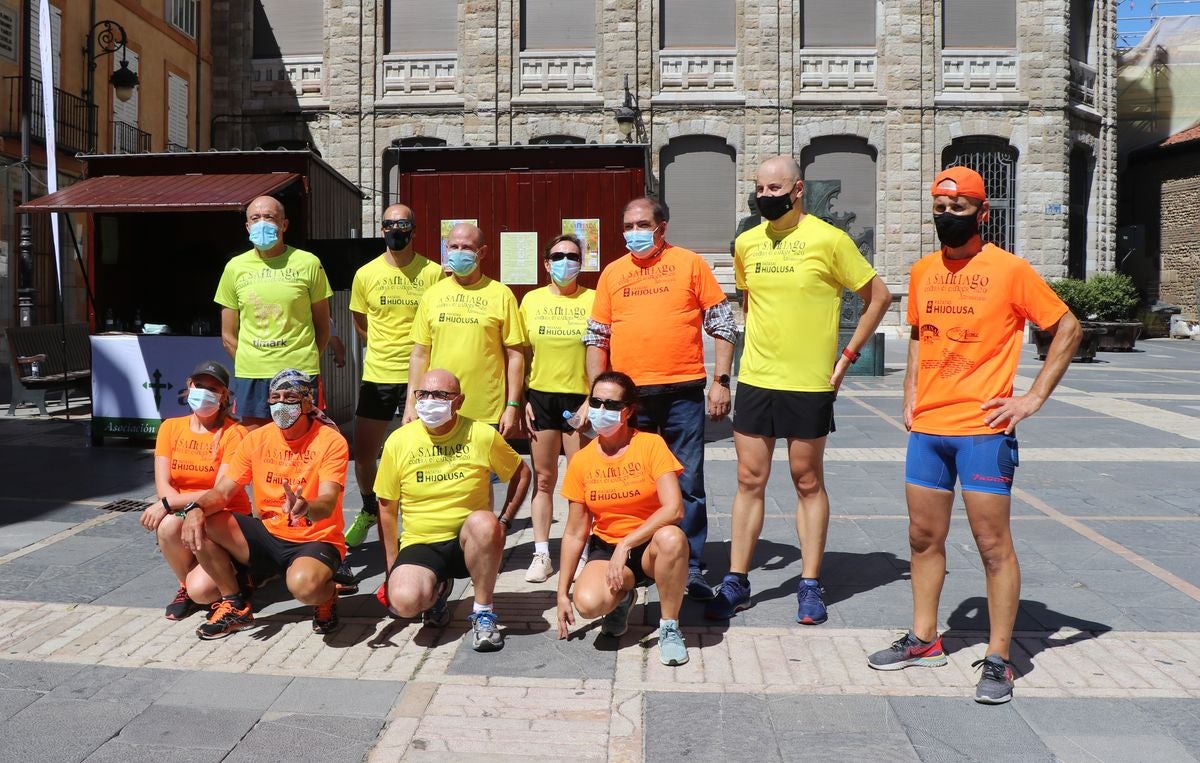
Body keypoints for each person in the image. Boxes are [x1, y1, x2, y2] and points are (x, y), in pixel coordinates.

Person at [866, 166, 1082, 705]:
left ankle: (1000, 657)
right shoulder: (922, 271)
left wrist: (1031, 399)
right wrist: (909, 393)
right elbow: (920, 332)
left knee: (992, 546)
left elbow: (1068, 328)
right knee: (922, 537)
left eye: (959, 208)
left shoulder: (1010, 270)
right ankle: (923, 638)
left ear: (982, 213)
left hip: (984, 430)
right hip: (929, 430)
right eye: (940, 207)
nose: (947, 216)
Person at [707, 156, 892, 625]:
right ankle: (736, 581)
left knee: (807, 480)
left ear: (797, 189)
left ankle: (810, 583)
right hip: (757, 379)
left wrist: (846, 358)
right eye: (759, 188)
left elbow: (879, 297)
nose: (765, 195)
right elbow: (750, 303)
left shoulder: (830, 240)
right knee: (749, 480)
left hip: (809, 383)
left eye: (774, 188)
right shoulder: (747, 243)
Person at [584, 197, 736, 601]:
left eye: (641, 224)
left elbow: (722, 323)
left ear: (662, 227)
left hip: (682, 392)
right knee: (631, 478)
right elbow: (597, 338)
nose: (633, 232)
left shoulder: (690, 264)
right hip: (628, 399)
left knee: (687, 482)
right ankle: (635, 556)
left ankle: (691, 566)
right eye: (627, 225)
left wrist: (721, 380)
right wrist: (597, 397)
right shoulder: (613, 274)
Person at [180, 368, 350, 640]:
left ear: (307, 402)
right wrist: (195, 509)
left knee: (304, 587)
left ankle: (328, 595)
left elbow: (328, 501)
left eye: (290, 396)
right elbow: (223, 492)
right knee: (206, 520)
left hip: (315, 537)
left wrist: (305, 506)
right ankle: (235, 605)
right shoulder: (256, 439)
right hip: (269, 533)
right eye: (275, 397)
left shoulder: (331, 441)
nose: (281, 403)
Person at [375, 369, 531, 652]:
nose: (429, 401)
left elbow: (521, 473)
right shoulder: (399, 441)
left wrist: (505, 521)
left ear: (458, 402)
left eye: (440, 395)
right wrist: (391, 570)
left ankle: (483, 613)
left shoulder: (481, 434)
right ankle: (436, 594)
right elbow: (386, 510)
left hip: (468, 539)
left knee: (486, 523)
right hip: (421, 542)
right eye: (423, 394)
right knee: (404, 602)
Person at [555, 371, 690, 666]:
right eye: (596, 402)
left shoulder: (650, 445)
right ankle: (622, 598)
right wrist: (562, 592)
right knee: (587, 604)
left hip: (650, 547)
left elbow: (674, 509)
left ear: (628, 411)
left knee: (673, 537)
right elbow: (575, 532)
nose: (602, 411)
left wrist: (627, 543)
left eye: (612, 405)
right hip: (607, 546)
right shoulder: (582, 460)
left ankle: (669, 626)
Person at [343, 204, 444, 549]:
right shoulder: (366, 274)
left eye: (402, 225)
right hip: (379, 374)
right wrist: (385, 347)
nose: (395, 230)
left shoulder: (433, 272)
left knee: (421, 451)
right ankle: (370, 508)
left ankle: (416, 520)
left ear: (414, 229)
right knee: (365, 452)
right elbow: (361, 322)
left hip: (422, 377)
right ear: (382, 230)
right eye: (389, 225)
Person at [142, 361, 250, 620]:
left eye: (213, 388)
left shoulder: (234, 433)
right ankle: (184, 585)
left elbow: (219, 491)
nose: (204, 392)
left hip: (221, 516)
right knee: (167, 526)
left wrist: (168, 504)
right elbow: (162, 484)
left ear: (224, 395)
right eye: (199, 385)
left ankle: (240, 575)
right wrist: (171, 505)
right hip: (183, 513)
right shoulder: (170, 427)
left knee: (202, 593)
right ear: (189, 387)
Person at [214, 195, 332, 428]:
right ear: (247, 226)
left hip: (299, 371)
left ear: (284, 224)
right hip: (253, 373)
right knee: (256, 445)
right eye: (255, 218)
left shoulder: (308, 262)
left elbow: (323, 326)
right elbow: (228, 335)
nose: (262, 223)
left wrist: (303, 360)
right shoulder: (234, 267)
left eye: (269, 217)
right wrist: (251, 360)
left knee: (300, 443)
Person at [519, 234, 595, 583]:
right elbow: (521, 355)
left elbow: (603, 354)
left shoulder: (594, 300)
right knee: (545, 479)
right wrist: (520, 400)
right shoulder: (530, 301)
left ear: (583, 262)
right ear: (546, 263)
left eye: (573, 256)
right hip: (542, 400)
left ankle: (580, 552)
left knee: (580, 482)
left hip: (580, 401)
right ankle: (542, 554)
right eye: (558, 256)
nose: (566, 261)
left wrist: (591, 402)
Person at [404, 223, 525, 439]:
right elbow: (420, 354)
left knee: (486, 473)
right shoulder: (432, 295)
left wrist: (512, 406)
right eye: (453, 247)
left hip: (487, 413)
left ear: (482, 252)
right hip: (438, 408)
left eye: (467, 247)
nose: (459, 253)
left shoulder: (501, 294)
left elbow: (515, 355)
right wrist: (411, 404)